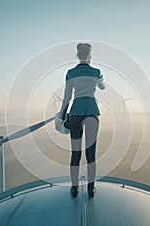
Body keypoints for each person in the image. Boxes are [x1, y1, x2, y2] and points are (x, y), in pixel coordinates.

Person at [55, 43, 106, 198]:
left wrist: (62, 116)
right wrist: (100, 80)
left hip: (76, 113)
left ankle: (74, 188)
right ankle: (91, 188)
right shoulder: (96, 72)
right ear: (90, 55)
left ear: (78, 55)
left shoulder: (70, 73)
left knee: (75, 153)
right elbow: (103, 87)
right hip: (91, 112)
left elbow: (66, 98)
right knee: (91, 154)